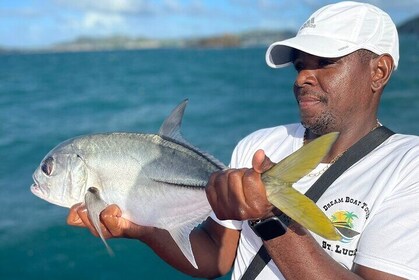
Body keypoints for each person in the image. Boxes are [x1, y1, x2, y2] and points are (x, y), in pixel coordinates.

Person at [67, 1, 419, 279]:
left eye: (325, 62)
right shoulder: (258, 145)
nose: (303, 79)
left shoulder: (407, 167)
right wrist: (140, 230)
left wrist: (269, 219)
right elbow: (214, 258)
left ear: (379, 71)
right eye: (299, 65)